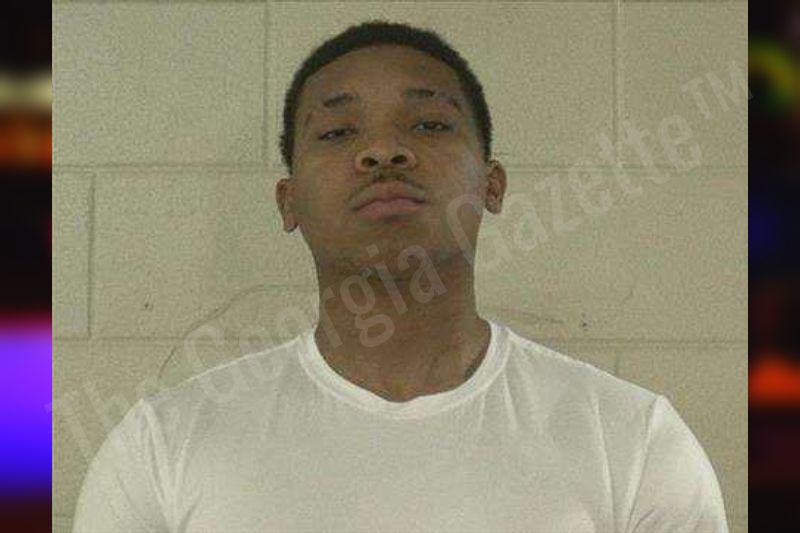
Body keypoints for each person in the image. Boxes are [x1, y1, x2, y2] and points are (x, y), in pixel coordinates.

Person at [72, 20, 729, 533]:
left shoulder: (633, 442)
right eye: (338, 132)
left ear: (493, 185)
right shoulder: (162, 447)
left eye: (429, 124)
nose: (383, 150)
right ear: (288, 202)